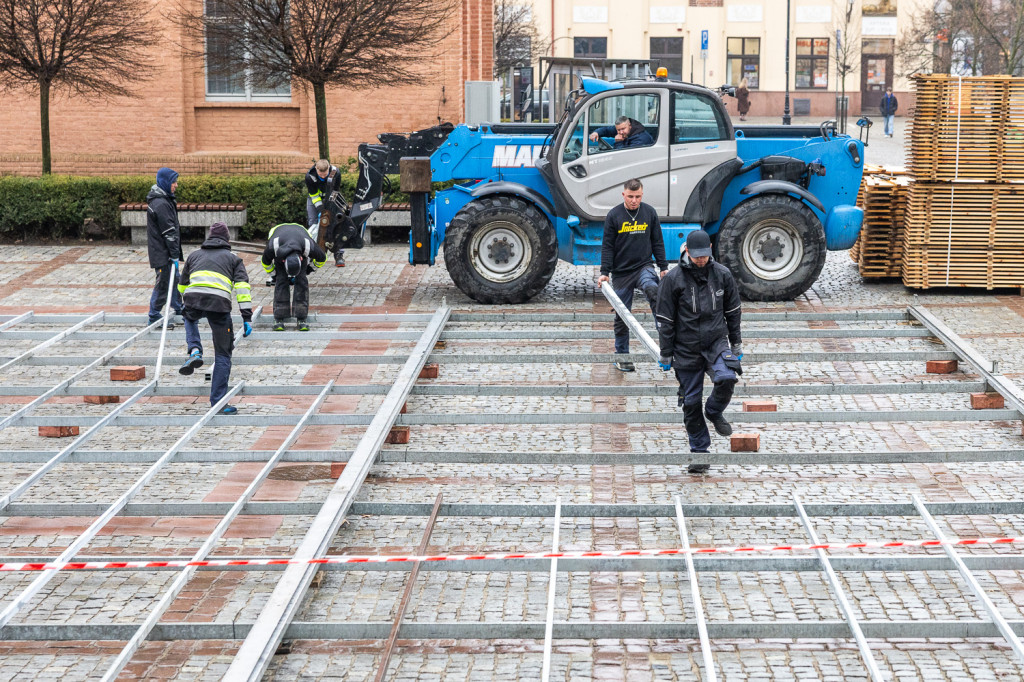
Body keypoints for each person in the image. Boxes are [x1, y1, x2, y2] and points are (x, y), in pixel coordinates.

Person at [656, 230, 742, 475]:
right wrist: (666, 352)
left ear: (710, 249)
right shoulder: (673, 280)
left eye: (704, 255)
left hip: (716, 341)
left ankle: (714, 411)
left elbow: (733, 312)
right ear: (687, 252)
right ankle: (700, 452)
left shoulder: (722, 275)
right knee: (691, 403)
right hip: (686, 347)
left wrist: (736, 344)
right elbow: (665, 320)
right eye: (696, 256)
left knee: (727, 378)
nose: (701, 260)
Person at [177, 222, 253, 415]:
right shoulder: (234, 259)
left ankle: (195, 350)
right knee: (223, 355)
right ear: (227, 240)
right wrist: (246, 317)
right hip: (219, 306)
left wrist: (186, 303)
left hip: (194, 299)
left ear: (209, 238)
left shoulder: (194, 255)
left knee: (189, 317)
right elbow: (243, 289)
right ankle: (218, 403)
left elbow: (181, 286)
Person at [598, 178, 668, 372]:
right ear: (623, 195)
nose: (634, 201)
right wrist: (604, 273)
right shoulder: (614, 215)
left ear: (642, 195)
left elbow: (658, 242)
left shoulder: (649, 213)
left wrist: (663, 267)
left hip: (643, 267)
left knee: (654, 290)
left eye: (637, 197)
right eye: (630, 197)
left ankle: (666, 345)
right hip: (621, 273)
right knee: (622, 315)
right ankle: (622, 356)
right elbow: (607, 247)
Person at [261, 222, 327, 332]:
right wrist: (275, 275)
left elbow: (322, 259)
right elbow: (266, 263)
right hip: (280, 238)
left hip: (300, 238)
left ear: (301, 259)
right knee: (281, 282)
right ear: (283, 261)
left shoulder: (308, 246)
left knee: (301, 281)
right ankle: (279, 317)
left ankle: (301, 317)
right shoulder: (273, 247)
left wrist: (309, 269)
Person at [146, 167, 183, 326]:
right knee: (163, 283)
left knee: (175, 280)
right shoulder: (161, 203)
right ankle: (154, 315)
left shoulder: (164, 199)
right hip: (162, 252)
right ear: (166, 183)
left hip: (165, 251)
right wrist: (174, 254)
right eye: (173, 182)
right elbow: (169, 232)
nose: (176, 185)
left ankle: (179, 307)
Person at [305, 158, 345, 266]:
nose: (323, 176)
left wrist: (330, 207)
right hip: (315, 199)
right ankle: (313, 254)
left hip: (331, 198)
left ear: (329, 169)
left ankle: (339, 255)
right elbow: (314, 195)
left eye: (325, 174)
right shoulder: (310, 176)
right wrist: (321, 210)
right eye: (320, 174)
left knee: (336, 225)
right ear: (316, 169)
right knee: (313, 223)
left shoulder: (336, 173)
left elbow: (335, 191)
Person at [588, 115, 654, 149]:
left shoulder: (641, 139)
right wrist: (596, 133)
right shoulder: (623, 130)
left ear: (630, 125)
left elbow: (623, 158)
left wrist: (619, 142)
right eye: (618, 130)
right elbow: (607, 130)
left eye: (623, 129)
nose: (621, 132)